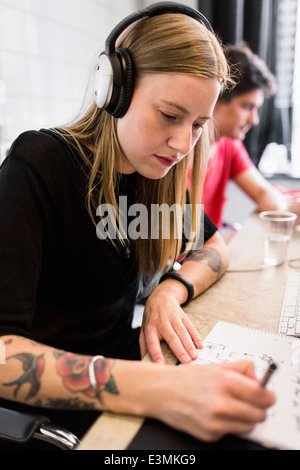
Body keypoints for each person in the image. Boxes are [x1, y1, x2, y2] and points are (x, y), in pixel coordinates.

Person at [0, 3, 275, 446]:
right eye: (170, 115)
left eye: (198, 125)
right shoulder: (40, 163)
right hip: (48, 415)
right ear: (114, 91)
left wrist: (170, 290)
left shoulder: (153, 174)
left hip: (124, 374)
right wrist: (157, 389)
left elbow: (215, 248)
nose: (183, 143)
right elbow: (3, 356)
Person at [187, 43, 287, 230]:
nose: (254, 120)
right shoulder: (177, 150)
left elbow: (264, 194)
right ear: (216, 99)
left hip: (209, 250)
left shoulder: (229, 145)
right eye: (247, 107)